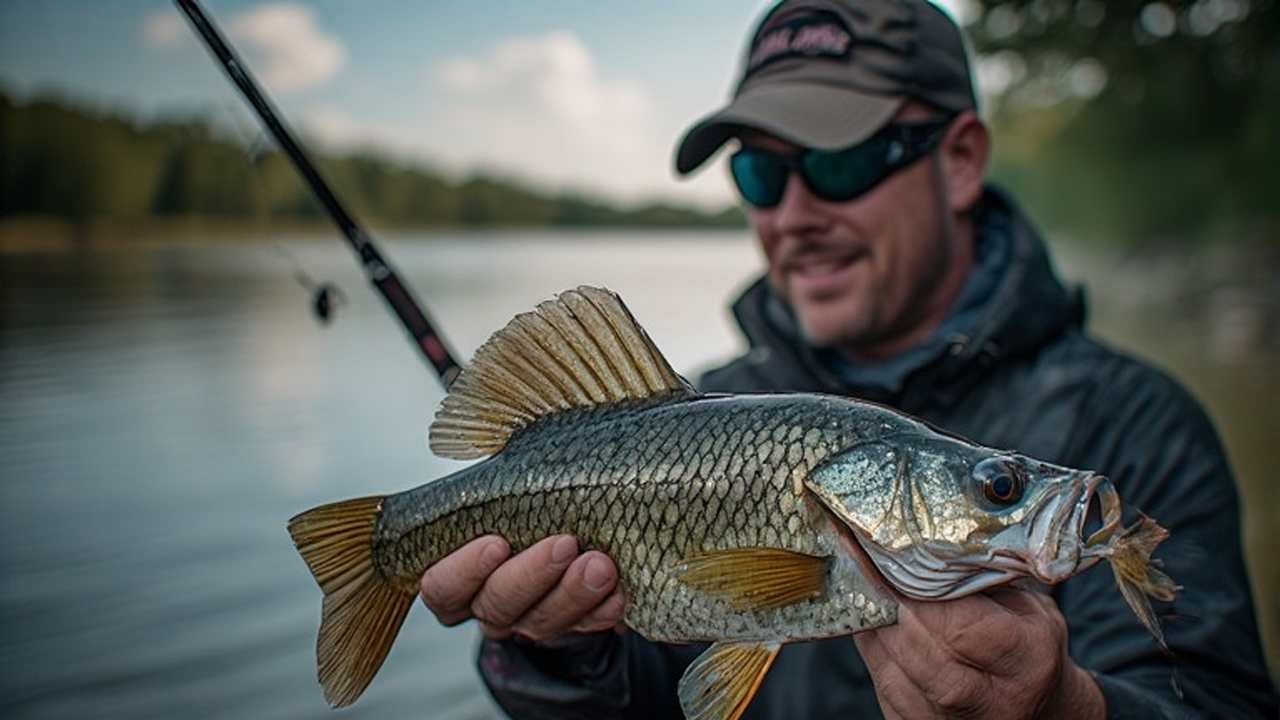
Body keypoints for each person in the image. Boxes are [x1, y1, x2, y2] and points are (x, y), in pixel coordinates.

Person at [420, 0, 1279, 717]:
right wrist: (555, 650)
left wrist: (1069, 710)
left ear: (961, 161)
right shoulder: (705, 404)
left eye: (838, 159)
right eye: (759, 173)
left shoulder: (1133, 425)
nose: (791, 214)